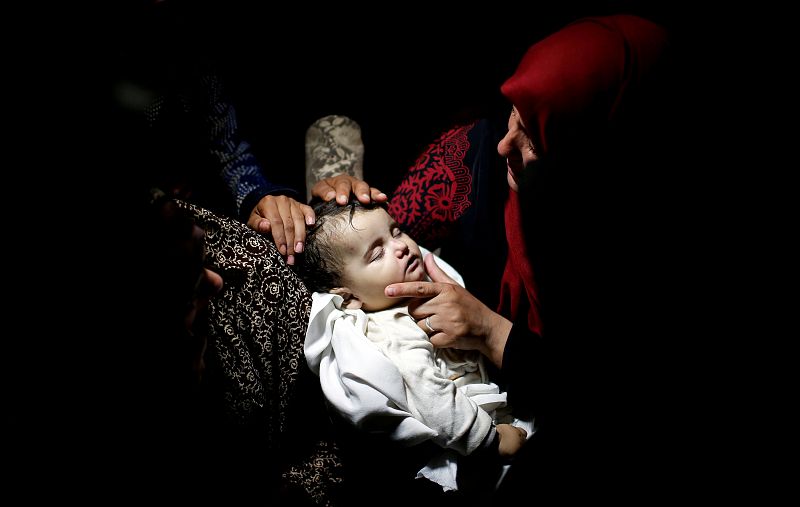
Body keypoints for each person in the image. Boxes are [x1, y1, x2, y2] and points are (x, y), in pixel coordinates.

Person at [379, 14, 677, 498]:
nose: (505, 144)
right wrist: (343, 208)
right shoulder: (473, 160)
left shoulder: (637, 246)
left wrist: (492, 332)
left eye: (534, 136)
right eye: (513, 113)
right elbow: (376, 237)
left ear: (596, 152)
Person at [299, 196, 530, 493]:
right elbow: (431, 397)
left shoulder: (423, 297)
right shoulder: (390, 329)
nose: (401, 246)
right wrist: (490, 440)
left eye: (395, 231)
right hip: (468, 446)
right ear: (348, 298)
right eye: (377, 253)